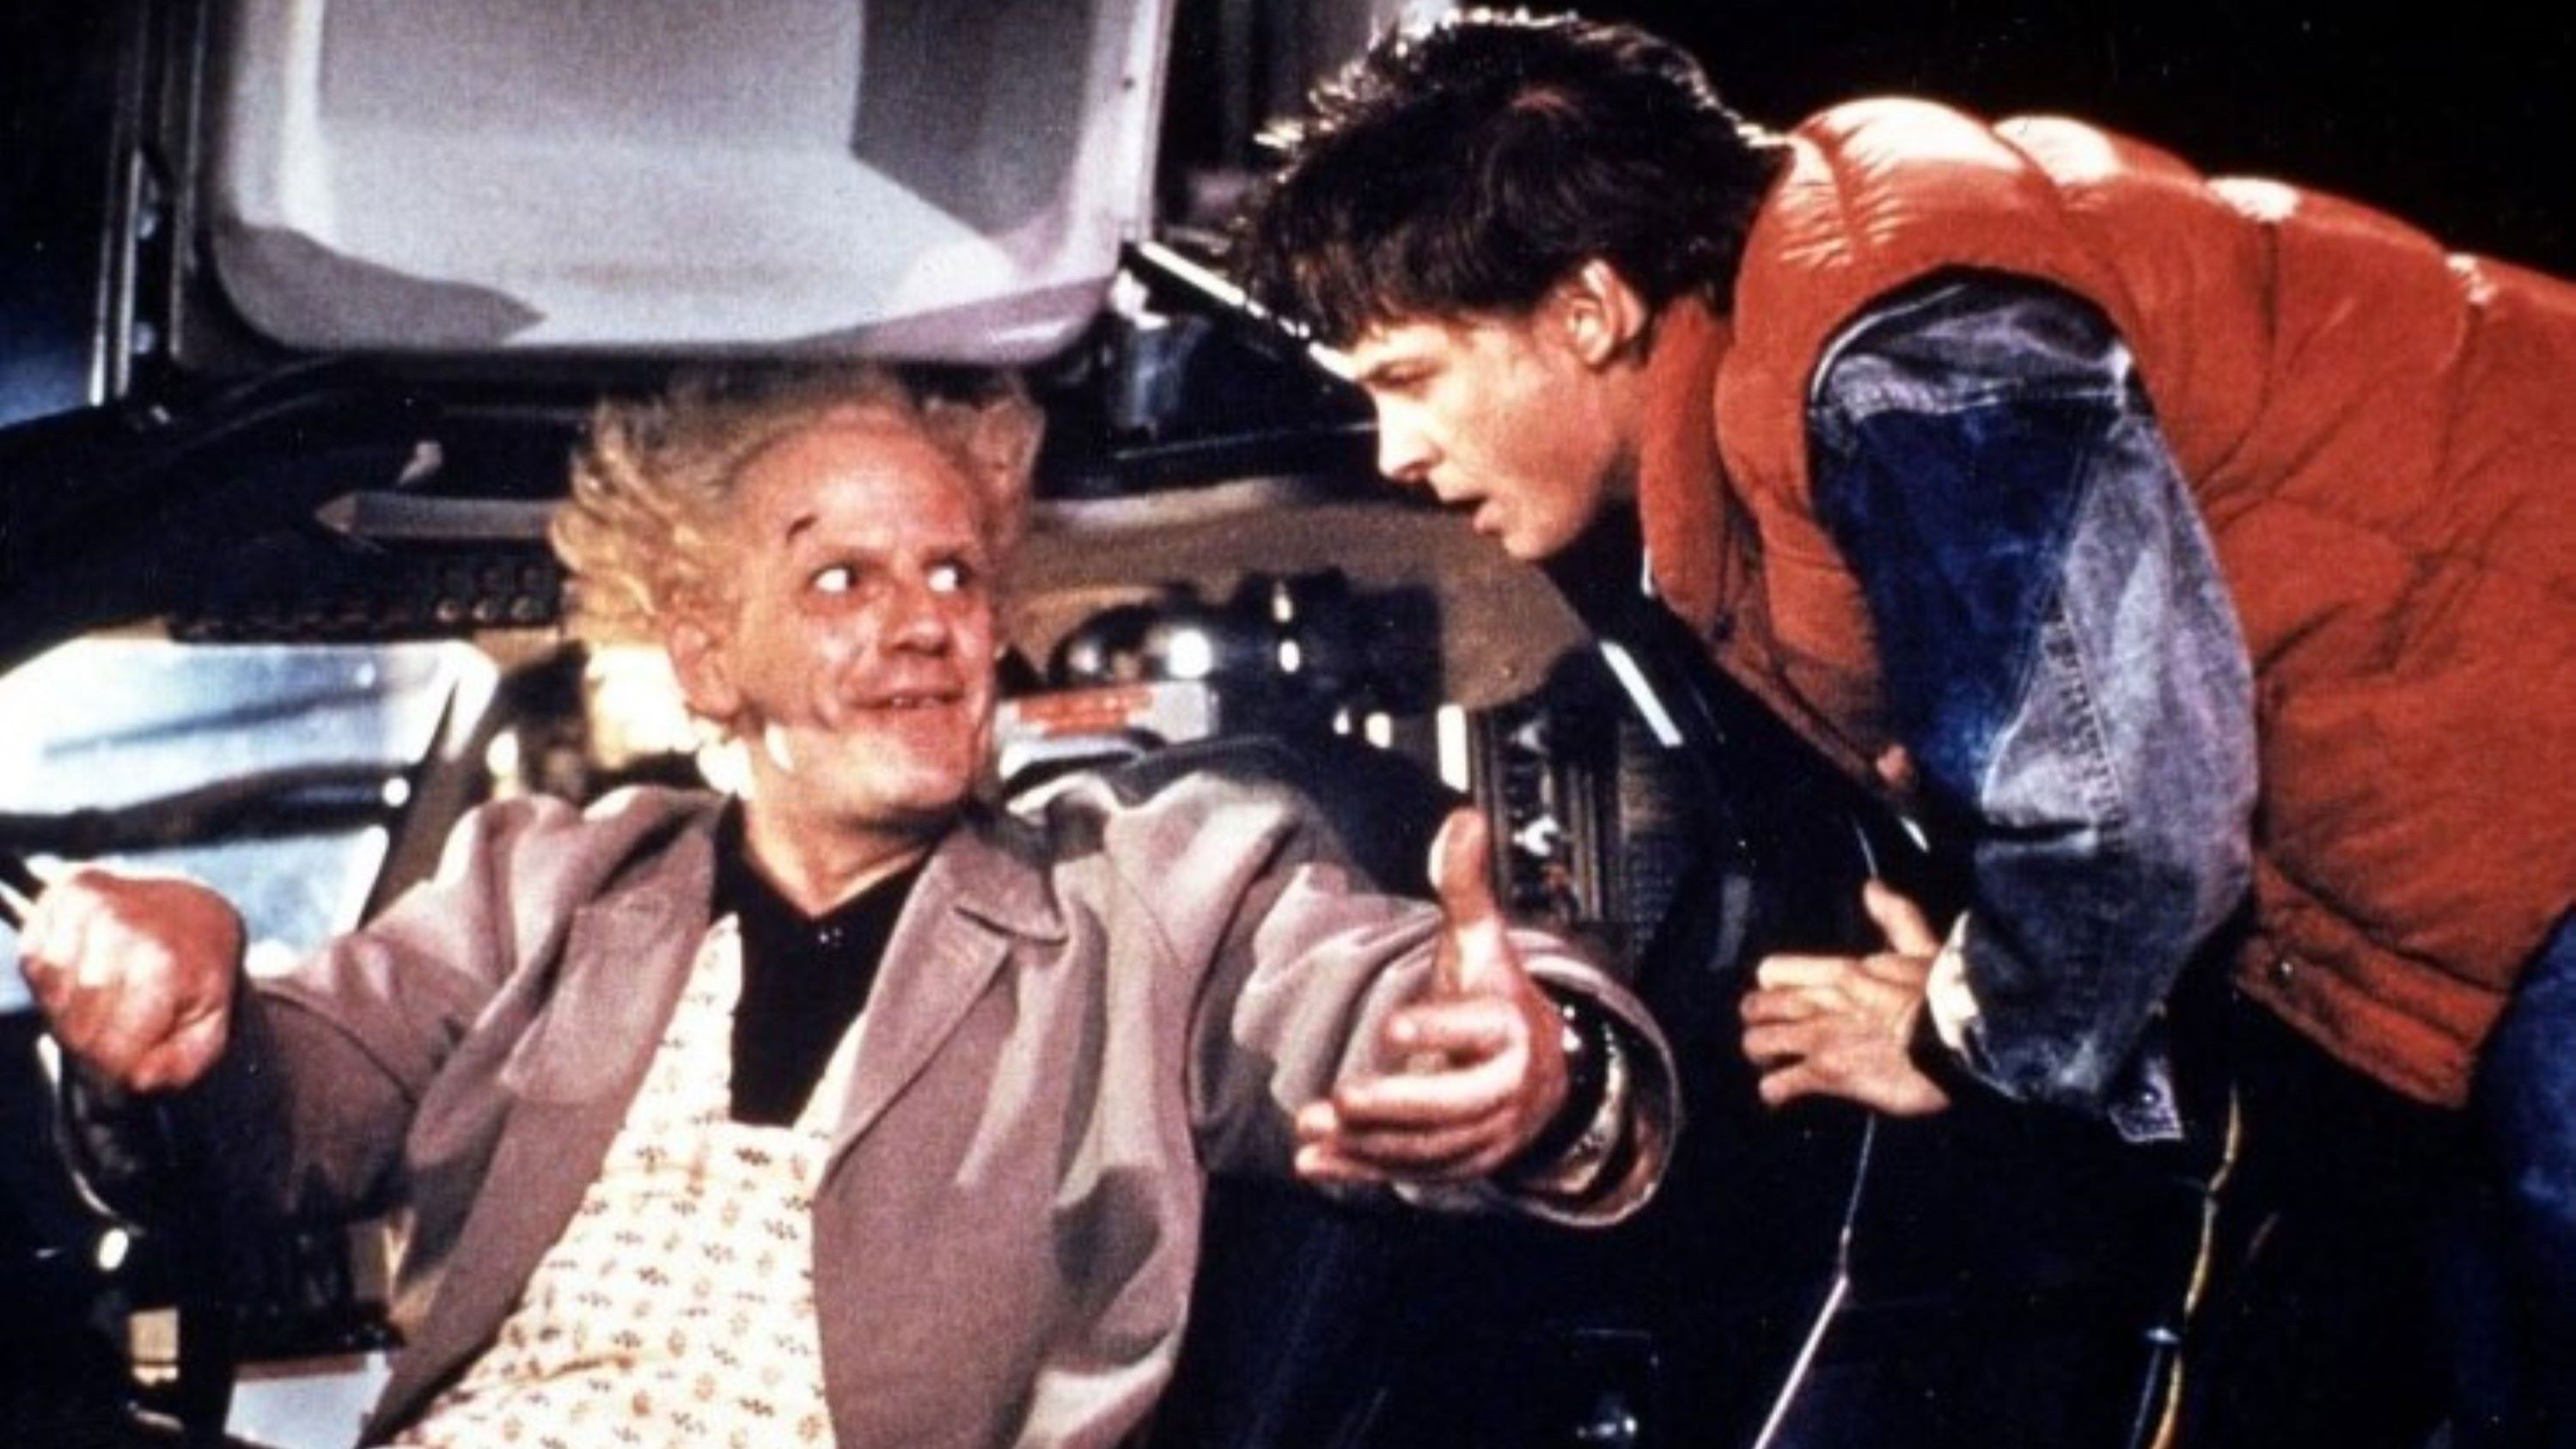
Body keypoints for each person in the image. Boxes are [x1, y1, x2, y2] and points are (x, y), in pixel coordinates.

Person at [1233, 10, 2576, 1446]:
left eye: (1409, 378)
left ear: (1586, 310)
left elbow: (2125, 821)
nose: (1396, 452)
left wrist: (1960, 1035)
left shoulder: (1902, 354)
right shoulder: (1805, 334)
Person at [12, 364, 1675, 1447]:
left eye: (955, 572)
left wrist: (1534, 1066)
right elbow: (296, 1106)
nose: (924, 621)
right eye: (840, 578)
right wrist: (190, 1016)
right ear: (704, 653)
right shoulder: (543, 882)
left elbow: (1357, 991)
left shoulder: (1148, 888)